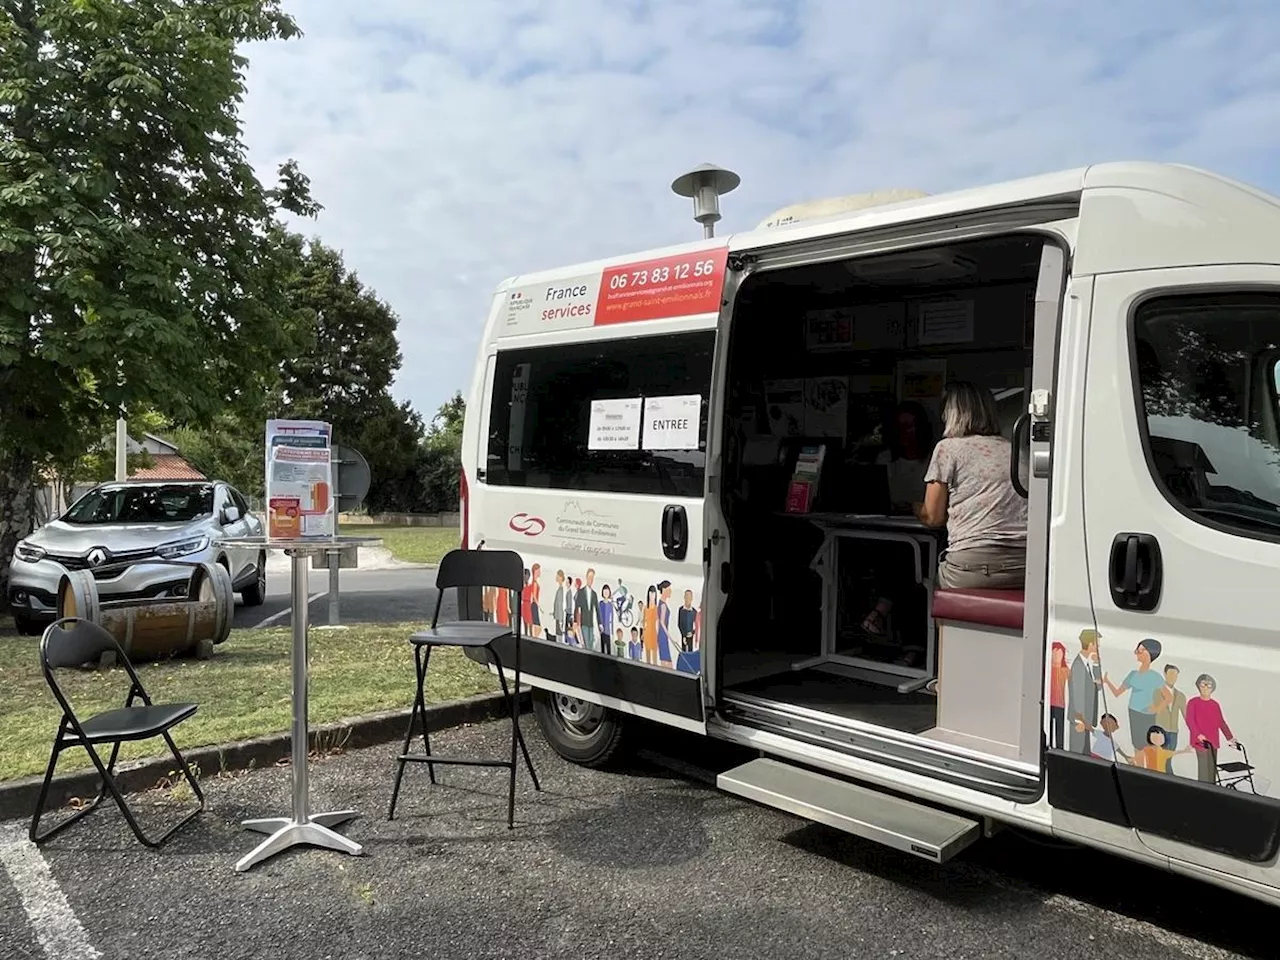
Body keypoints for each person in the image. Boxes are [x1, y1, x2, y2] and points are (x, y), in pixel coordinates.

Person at [916, 380, 1027, 589]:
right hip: (1026, 564)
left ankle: (941, 623)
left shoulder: (948, 448)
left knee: (936, 587)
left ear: (951, 413)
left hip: (973, 565)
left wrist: (914, 508)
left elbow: (933, 517)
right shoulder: (1015, 451)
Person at [860, 402, 936, 645]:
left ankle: (881, 611)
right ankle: (906, 643)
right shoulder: (886, 459)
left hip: (926, 532)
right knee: (896, 557)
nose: (906, 433)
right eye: (900, 428)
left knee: (908, 563)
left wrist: (913, 506)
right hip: (890, 531)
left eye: (910, 427)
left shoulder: (934, 459)